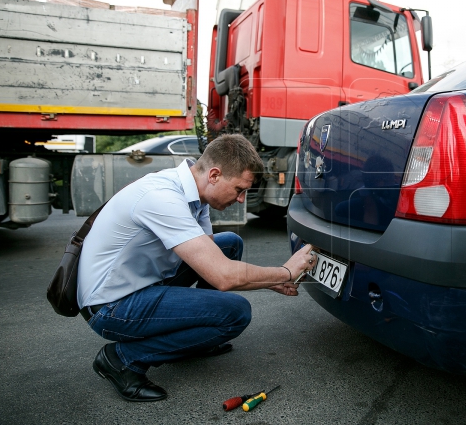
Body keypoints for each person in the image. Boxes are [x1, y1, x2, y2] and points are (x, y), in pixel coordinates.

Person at [76, 134, 314, 402]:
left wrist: (268, 282)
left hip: (139, 283)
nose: (241, 200)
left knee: (229, 244)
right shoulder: (163, 198)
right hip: (111, 308)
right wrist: (286, 272)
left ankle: (198, 337)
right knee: (236, 313)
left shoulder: (194, 194)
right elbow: (222, 276)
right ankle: (122, 359)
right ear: (214, 175)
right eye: (239, 189)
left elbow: (211, 259)